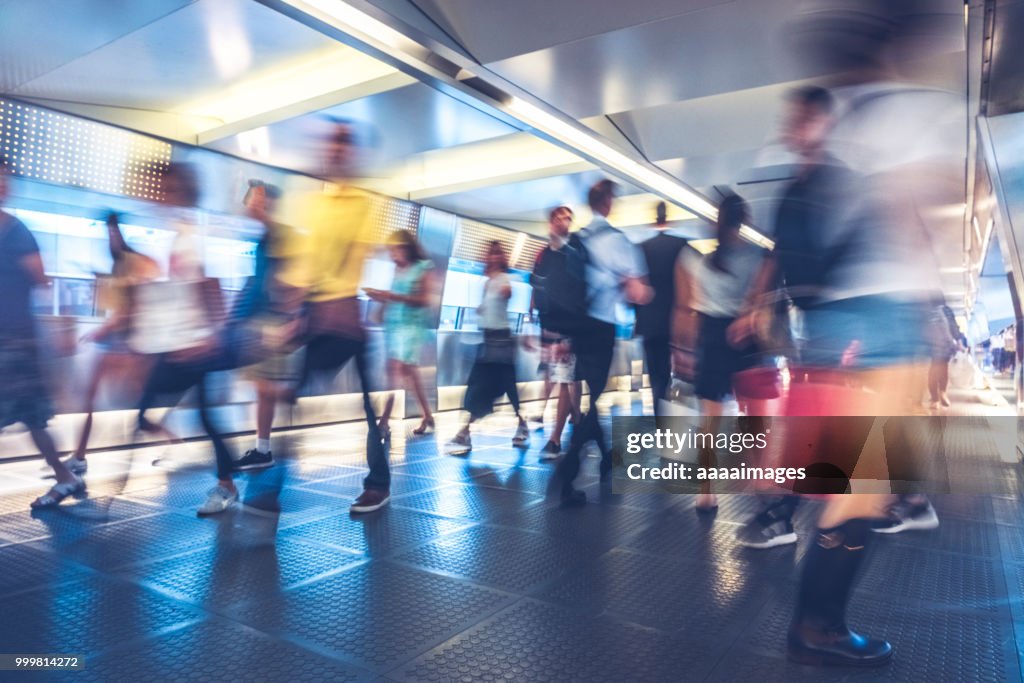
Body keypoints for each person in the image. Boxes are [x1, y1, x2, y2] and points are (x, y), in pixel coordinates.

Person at [276, 118, 392, 513]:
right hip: (317, 313)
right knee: (292, 390)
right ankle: (269, 489)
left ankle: (377, 484)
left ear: (353, 152)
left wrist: (332, 306)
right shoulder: (313, 204)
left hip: (344, 315)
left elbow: (354, 257)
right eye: (332, 143)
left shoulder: (363, 203)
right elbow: (304, 266)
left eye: (344, 143)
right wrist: (295, 309)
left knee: (365, 404)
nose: (336, 150)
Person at [134, 163, 240, 516]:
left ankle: (226, 485)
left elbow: (207, 286)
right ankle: (225, 480)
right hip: (181, 344)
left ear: (184, 193)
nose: (162, 196)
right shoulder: (175, 232)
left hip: (196, 346)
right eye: (162, 190)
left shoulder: (189, 235)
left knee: (202, 417)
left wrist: (212, 336)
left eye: (170, 190)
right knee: (158, 412)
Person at [555, 179, 651, 506]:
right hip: (600, 328)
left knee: (589, 399)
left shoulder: (575, 240)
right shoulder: (618, 242)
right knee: (593, 396)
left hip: (575, 328)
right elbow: (637, 292)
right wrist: (646, 293)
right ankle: (566, 475)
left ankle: (608, 457)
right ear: (608, 203)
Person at [0, 163, 84, 507]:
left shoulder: (16, 232)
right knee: (33, 420)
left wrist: (63, 329)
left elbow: (44, 282)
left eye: (3, 179)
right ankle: (65, 477)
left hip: (17, 342)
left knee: (33, 418)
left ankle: (65, 477)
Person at [675, 194, 763, 511]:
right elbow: (760, 299)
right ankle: (758, 479)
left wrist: (681, 348)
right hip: (745, 337)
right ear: (745, 220)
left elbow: (686, 308)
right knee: (752, 415)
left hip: (711, 337)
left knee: (709, 419)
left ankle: (706, 491)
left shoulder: (695, 258)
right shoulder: (758, 257)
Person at [64, 212, 160, 475]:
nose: (111, 237)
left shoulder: (131, 262)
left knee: (132, 399)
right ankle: (80, 456)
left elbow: (131, 308)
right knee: (97, 399)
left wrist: (102, 330)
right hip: (117, 342)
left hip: (125, 343)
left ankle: (167, 441)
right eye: (108, 232)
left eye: (114, 231)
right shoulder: (118, 265)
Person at [230, 180, 297, 472]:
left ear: (268, 202)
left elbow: (291, 282)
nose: (250, 204)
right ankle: (263, 449)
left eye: (255, 199)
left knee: (265, 386)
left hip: (274, 321)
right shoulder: (264, 238)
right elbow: (259, 281)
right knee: (262, 389)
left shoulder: (283, 235)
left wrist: (292, 318)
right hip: (262, 320)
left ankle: (296, 392)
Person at [446, 240, 530, 455]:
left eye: (496, 254)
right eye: (490, 254)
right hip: (488, 339)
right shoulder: (486, 282)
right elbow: (487, 307)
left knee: (501, 387)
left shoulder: (504, 279)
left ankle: (467, 432)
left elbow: (508, 292)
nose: (492, 258)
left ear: (501, 258)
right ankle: (467, 432)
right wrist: (481, 309)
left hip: (502, 341)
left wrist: (504, 291)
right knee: (481, 387)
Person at [365, 230, 437, 438]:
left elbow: (424, 300)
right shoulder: (398, 269)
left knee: (395, 369)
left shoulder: (423, 268)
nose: (392, 254)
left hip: (411, 328)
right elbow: (393, 295)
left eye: (395, 249)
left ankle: (384, 422)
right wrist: (381, 301)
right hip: (394, 327)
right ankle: (427, 415)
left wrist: (391, 296)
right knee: (409, 373)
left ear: (406, 247)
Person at [529, 205, 582, 459]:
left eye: (569, 219)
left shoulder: (572, 256)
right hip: (546, 327)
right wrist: (532, 316)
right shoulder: (542, 255)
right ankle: (573, 417)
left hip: (567, 327)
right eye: (561, 218)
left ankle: (555, 438)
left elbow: (578, 293)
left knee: (564, 379)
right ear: (551, 223)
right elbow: (536, 285)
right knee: (553, 376)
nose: (565, 223)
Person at [638, 202, 688, 418]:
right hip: (676, 321)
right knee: (681, 373)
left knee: (656, 375)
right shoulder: (681, 245)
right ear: (667, 219)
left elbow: (637, 287)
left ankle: (661, 416)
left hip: (650, 324)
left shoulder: (642, 248)